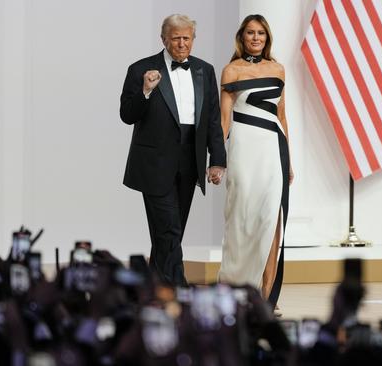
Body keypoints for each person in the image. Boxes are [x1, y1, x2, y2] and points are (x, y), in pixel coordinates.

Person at [119, 14, 226, 286]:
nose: (181, 44)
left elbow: (213, 119)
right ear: (163, 39)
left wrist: (217, 160)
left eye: (186, 38)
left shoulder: (205, 70)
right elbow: (127, 115)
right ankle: (179, 290)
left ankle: (154, 290)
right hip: (154, 162)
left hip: (190, 160)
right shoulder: (140, 69)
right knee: (168, 229)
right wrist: (145, 90)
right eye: (176, 38)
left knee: (169, 233)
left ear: (193, 39)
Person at [218, 14, 293, 309]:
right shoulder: (231, 70)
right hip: (243, 148)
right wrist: (218, 159)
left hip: (274, 148)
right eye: (250, 32)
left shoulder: (278, 69)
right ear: (242, 36)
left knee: (272, 220)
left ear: (267, 37)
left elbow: (282, 114)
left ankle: (267, 297)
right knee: (241, 218)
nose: (256, 38)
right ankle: (235, 291)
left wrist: (289, 160)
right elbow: (224, 119)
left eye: (261, 33)